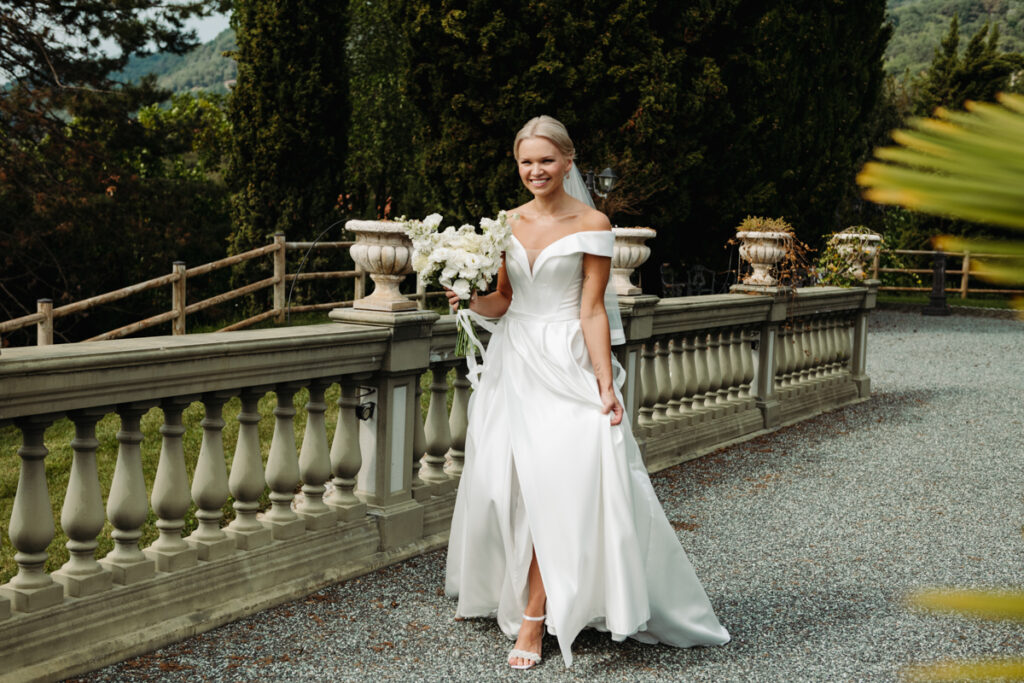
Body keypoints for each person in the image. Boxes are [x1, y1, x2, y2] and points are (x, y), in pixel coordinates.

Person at [444, 115, 730, 670]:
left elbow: (593, 307)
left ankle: (534, 620)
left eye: (546, 160)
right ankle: (513, 591)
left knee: (566, 486)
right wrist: (469, 301)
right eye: (526, 162)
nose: (535, 171)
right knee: (509, 487)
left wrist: (605, 379)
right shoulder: (506, 221)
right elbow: (503, 298)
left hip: (566, 361)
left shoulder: (593, 222)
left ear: (568, 162)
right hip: (515, 361)